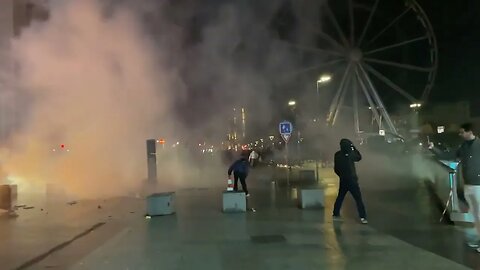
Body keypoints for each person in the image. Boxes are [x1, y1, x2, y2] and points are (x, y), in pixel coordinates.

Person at [429, 123, 480, 250]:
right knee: (475, 214)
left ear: (470, 132)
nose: (460, 134)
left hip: (478, 185)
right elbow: (449, 155)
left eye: (462, 132)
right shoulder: (463, 146)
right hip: (469, 185)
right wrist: (433, 148)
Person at [333, 138, 368, 224]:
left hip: (343, 180)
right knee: (358, 199)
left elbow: (336, 169)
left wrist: (341, 175)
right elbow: (359, 157)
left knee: (340, 197)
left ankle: (335, 213)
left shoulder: (337, 155)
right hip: (352, 180)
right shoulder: (350, 154)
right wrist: (354, 147)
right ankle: (363, 216)